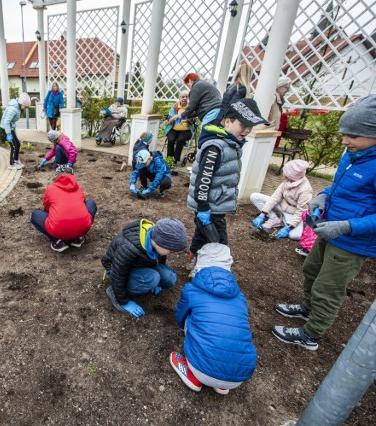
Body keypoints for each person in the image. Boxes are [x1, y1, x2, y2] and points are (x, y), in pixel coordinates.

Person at [272, 95, 376, 351]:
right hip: (329, 229)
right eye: (345, 133)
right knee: (312, 270)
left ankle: (311, 334)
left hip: (351, 241)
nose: (346, 140)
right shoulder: (354, 155)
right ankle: (308, 308)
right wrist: (323, 197)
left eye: (354, 135)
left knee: (329, 288)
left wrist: (347, 226)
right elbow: (340, 187)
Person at [186, 99, 269, 269]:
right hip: (209, 206)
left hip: (216, 204)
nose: (247, 130)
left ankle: (193, 262)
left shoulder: (230, 143)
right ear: (228, 121)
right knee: (219, 241)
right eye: (243, 124)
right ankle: (210, 269)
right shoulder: (215, 147)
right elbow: (204, 178)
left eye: (250, 126)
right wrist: (203, 208)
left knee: (202, 235)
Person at [170, 243, 257, 395]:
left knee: (191, 317)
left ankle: (191, 375)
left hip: (200, 369)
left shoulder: (192, 289)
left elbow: (180, 317)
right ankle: (222, 385)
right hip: (239, 377)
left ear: (201, 264)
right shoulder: (239, 296)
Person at [102, 218, 188, 318]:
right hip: (116, 271)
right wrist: (124, 302)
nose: (172, 253)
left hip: (139, 265)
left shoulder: (156, 239)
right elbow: (118, 275)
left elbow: (160, 259)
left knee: (169, 278)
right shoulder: (129, 248)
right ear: (161, 243)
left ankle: (149, 280)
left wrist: (159, 282)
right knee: (152, 278)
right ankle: (113, 291)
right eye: (171, 251)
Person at [31, 165, 97, 252]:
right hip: (83, 228)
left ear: (56, 176)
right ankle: (78, 237)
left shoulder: (50, 189)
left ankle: (57, 241)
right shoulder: (79, 189)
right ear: (72, 176)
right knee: (91, 203)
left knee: (35, 215)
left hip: (58, 229)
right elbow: (83, 204)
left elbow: (47, 209)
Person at [250, 159, 312, 240]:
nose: (284, 175)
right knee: (254, 196)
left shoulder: (305, 190)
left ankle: (284, 222)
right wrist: (262, 215)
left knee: (295, 236)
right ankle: (274, 218)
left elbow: (301, 212)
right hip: (281, 205)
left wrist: (289, 227)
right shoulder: (287, 181)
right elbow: (274, 198)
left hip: (292, 213)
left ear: (293, 175)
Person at [0, 92, 32, 170]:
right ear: (22, 103)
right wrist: (8, 134)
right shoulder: (13, 109)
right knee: (13, 146)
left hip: (10, 128)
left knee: (17, 144)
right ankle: (11, 164)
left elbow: (12, 122)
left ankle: (16, 160)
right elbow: (6, 122)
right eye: (25, 106)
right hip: (5, 128)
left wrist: (12, 130)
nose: (25, 108)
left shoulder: (17, 107)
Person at [164, 91, 193, 165]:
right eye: (183, 97)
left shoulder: (191, 107)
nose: (184, 98)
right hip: (173, 129)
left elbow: (194, 121)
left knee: (180, 140)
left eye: (186, 97)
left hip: (186, 130)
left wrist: (189, 118)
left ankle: (175, 160)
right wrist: (174, 117)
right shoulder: (175, 107)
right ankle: (169, 159)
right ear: (179, 98)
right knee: (171, 139)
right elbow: (169, 121)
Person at [268, 77, 292, 149]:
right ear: (279, 86)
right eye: (286, 87)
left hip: (271, 132)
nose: (288, 90)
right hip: (268, 132)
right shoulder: (273, 98)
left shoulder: (278, 99)